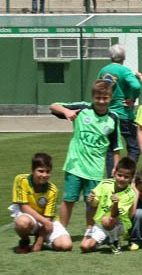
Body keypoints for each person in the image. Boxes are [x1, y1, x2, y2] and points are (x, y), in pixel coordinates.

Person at [51, 81, 122, 230]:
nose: (101, 101)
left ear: (110, 98)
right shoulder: (82, 109)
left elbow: (115, 147)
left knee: (92, 202)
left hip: (95, 169)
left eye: (105, 98)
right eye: (98, 97)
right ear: (92, 96)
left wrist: (116, 166)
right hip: (74, 165)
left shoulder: (113, 118)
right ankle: (61, 230)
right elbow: (53, 105)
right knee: (69, 199)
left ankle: (90, 230)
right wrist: (66, 112)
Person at [10, 153, 72, 253]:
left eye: (47, 172)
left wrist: (39, 242)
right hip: (29, 217)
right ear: (32, 170)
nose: (44, 175)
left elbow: (48, 218)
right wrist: (45, 221)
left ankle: (45, 241)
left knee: (66, 245)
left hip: (45, 222)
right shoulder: (21, 180)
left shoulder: (53, 190)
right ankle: (25, 241)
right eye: (40, 171)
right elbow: (24, 207)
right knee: (22, 222)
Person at [97, 44, 142, 164]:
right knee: (134, 147)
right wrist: (132, 98)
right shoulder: (124, 71)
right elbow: (136, 86)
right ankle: (127, 172)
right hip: (124, 114)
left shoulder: (103, 71)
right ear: (124, 57)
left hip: (108, 115)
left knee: (110, 148)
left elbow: (97, 87)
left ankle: (111, 176)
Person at [80, 158, 138, 254]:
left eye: (126, 177)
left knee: (106, 220)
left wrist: (116, 203)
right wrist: (92, 200)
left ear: (131, 178)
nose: (122, 179)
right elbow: (94, 204)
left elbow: (114, 215)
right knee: (84, 247)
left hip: (120, 224)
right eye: (119, 175)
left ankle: (115, 242)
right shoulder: (105, 183)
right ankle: (106, 238)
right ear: (115, 173)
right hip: (102, 223)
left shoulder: (130, 194)